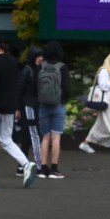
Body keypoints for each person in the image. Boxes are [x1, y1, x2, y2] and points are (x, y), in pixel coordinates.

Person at [0, 33, 37, 189]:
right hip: (9, 107)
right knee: (6, 139)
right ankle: (25, 163)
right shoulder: (13, 63)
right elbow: (15, 86)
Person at [79, 52, 110, 153]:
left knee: (99, 125)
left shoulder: (108, 71)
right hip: (106, 102)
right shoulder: (104, 71)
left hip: (107, 101)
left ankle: (85, 143)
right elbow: (103, 86)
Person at [37, 40, 70, 179]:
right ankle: (54, 169)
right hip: (58, 105)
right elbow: (67, 89)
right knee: (56, 137)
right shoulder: (62, 68)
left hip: (43, 105)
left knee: (45, 137)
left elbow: (35, 85)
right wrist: (62, 99)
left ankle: (43, 168)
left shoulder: (41, 67)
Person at [14, 46, 43, 174]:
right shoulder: (29, 71)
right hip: (29, 106)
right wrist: (17, 108)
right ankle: (39, 166)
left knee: (26, 138)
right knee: (34, 136)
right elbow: (18, 92)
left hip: (29, 106)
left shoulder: (32, 70)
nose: (41, 58)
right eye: (38, 56)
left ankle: (22, 166)